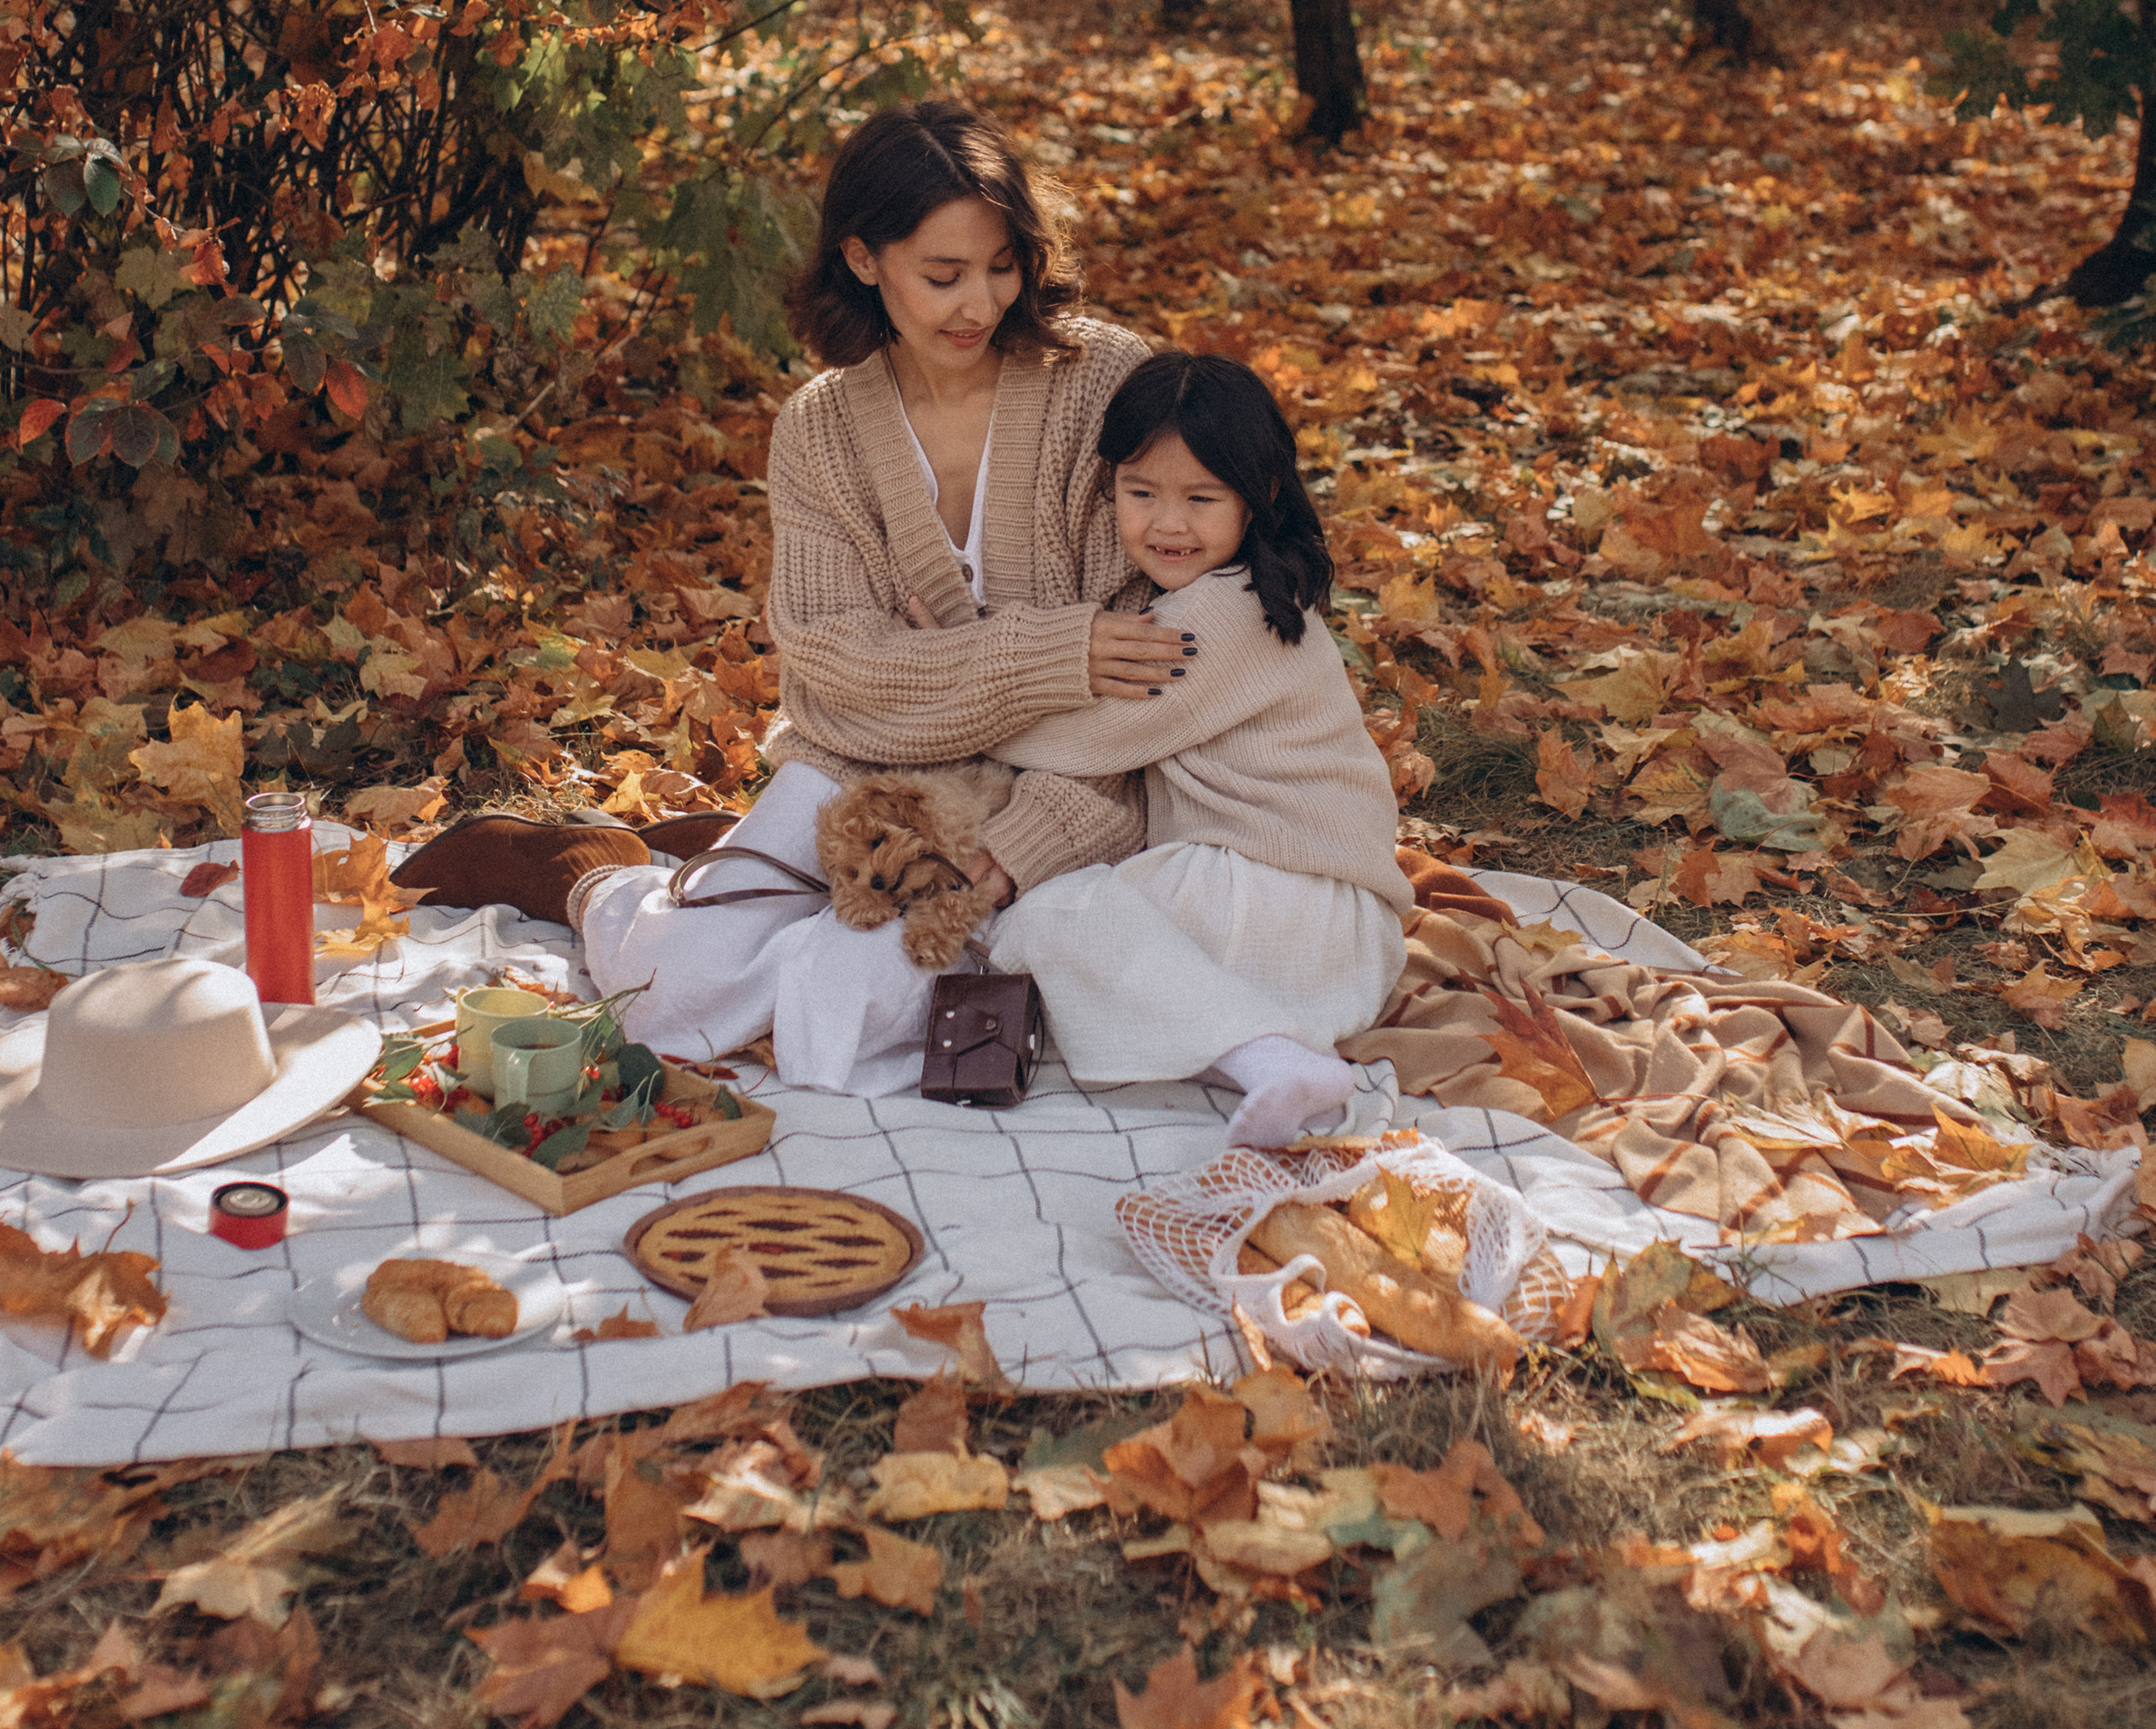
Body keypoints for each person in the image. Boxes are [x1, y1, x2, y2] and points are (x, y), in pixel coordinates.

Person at [405, 97, 1191, 1089]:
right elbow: (835, 675)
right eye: (941, 274)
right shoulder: (820, 429)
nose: (979, 304)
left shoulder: (1110, 380)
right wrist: (1048, 655)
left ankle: (756, 903)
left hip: (1047, 794)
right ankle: (596, 876)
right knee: (662, 997)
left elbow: (1151, 667)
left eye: (1002, 266)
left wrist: (950, 688)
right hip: (852, 763)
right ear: (864, 259)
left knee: (846, 1010)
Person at [989, 349, 1415, 1147]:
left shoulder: (1226, 616)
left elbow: (1082, 737)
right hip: (1313, 925)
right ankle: (1256, 1047)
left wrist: (953, 680)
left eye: (1201, 497)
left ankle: (1269, 1059)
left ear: (1258, 502)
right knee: (1087, 924)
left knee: (1040, 924)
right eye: (1140, 493)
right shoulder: (1246, 595)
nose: (1168, 523)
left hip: (1293, 903)